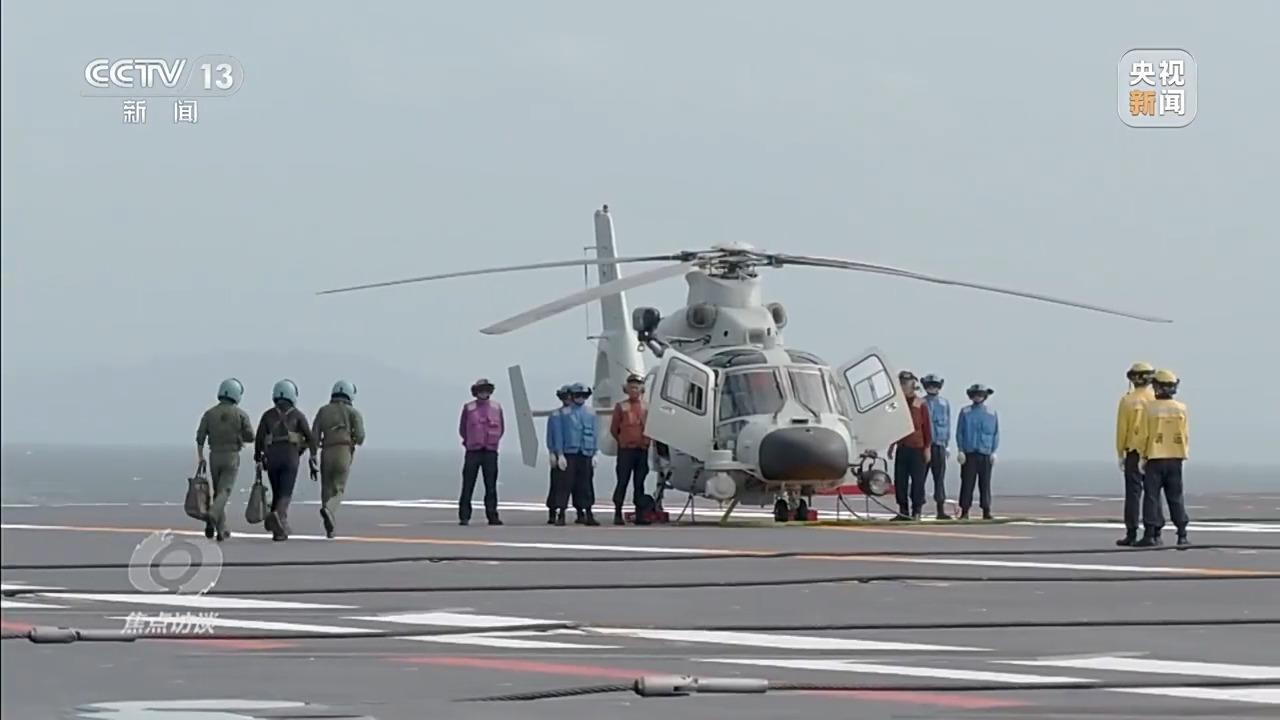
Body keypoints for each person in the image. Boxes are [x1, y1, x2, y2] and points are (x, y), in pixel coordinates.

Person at [254, 379, 317, 541]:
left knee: (276, 491)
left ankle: (278, 528)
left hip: (272, 458)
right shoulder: (297, 415)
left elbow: (259, 439)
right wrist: (310, 456)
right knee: (285, 493)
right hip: (290, 458)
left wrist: (259, 459)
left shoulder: (267, 415)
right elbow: (310, 438)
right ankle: (279, 518)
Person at [1134, 369, 1190, 547]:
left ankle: (1151, 534)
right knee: (1176, 497)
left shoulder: (1149, 409)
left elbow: (1143, 435)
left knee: (1152, 496)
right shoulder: (1181, 408)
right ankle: (1182, 534)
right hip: (1175, 458)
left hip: (1155, 457)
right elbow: (1185, 435)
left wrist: (1142, 457)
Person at [195, 378, 255, 542]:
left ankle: (221, 529)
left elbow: (200, 437)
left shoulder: (209, 414)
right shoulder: (240, 414)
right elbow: (251, 436)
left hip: (214, 455)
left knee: (217, 491)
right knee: (225, 491)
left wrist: (200, 457)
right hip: (231, 455)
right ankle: (213, 515)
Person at [311, 380, 366, 539]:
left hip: (326, 451)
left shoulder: (323, 411)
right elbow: (361, 437)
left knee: (326, 488)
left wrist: (313, 456)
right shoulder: (354, 413)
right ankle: (329, 510)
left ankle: (330, 526)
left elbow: (314, 436)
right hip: (343, 451)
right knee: (338, 489)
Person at [1115, 361, 1156, 546]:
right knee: (1153, 494)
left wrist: (1120, 453)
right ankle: (1153, 532)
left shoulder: (1127, 400)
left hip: (1133, 451)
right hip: (1155, 452)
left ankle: (1131, 533)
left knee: (1133, 494)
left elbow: (1122, 429)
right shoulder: (1157, 398)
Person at [551, 383, 600, 526]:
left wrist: (596, 453)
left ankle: (588, 512)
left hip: (586, 453)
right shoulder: (562, 414)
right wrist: (559, 454)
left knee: (586, 485)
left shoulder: (591, 413)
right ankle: (561, 513)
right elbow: (559, 435)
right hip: (569, 454)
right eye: (577, 395)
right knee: (564, 484)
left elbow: (595, 433)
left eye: (584, 396)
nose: (580, 398)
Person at [458, 378, 504, 526]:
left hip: (490, 451)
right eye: (481, 390)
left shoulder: (497, 408)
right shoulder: (469, 408)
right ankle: (464, 516)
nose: (483, 393)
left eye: (486, 390)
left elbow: (501, 428)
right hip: (473, 451)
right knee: (468, 484)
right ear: (475, 392)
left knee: (491, 485)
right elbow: (463, 429)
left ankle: (492, 515)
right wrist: (469, 442)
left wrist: (493, 442)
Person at [887, 370, 932, 521]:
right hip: (903, 447)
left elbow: (927, 427)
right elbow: (894, 425)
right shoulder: (896, 404)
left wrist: (927, 448)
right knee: (900, 481)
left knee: (918, 481)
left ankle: (917, 510)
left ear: (913, 384)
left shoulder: (921, 404)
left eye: (906, 383)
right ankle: (903, 509)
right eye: (901, 383)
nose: (903, 386)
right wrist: (892, 444)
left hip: (918, 447)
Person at [610, 374, 651, 525]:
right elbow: (614, 429)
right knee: (622, 481)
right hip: (626, 450)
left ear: (641, 389)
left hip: (642, 450)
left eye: (636, 387)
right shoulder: (621, 406)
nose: (634, 390)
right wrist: (623, 441)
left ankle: (640, 514)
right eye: (631, 387)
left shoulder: (647, 407)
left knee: (639, 483)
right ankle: (617, 513)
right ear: (626, 389)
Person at [956, 383, 999, 520]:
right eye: (975, 394)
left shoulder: (991, 413)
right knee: (967, 483)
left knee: (985, 483)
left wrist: (993, 451)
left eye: (980, 394)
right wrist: (960, 450)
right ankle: (964, 510)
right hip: (969, 453)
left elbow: (995, 433)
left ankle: (986, 510)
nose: (978, 397)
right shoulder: (965, 412)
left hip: (985, 453)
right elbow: (960, 432)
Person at [921, 374, 952, 520]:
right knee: (920, 478)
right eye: (929, 385)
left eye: (935, 385)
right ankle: (917, 508)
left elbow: (947, 425)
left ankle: (940, 509)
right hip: (923, 446)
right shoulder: (921, 403)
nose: (932, 387)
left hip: (939, 445)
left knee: (939, 478)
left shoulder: (944, 404)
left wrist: (946, 444)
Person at [545, 385, 571, 524]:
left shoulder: (577, 414)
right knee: (556, 485)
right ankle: (553, 511)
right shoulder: (556, 415)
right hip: (559, 453)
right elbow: (552, 435)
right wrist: (553, 453)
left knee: (576, 484)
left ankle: (579, 511)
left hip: (573, 453)